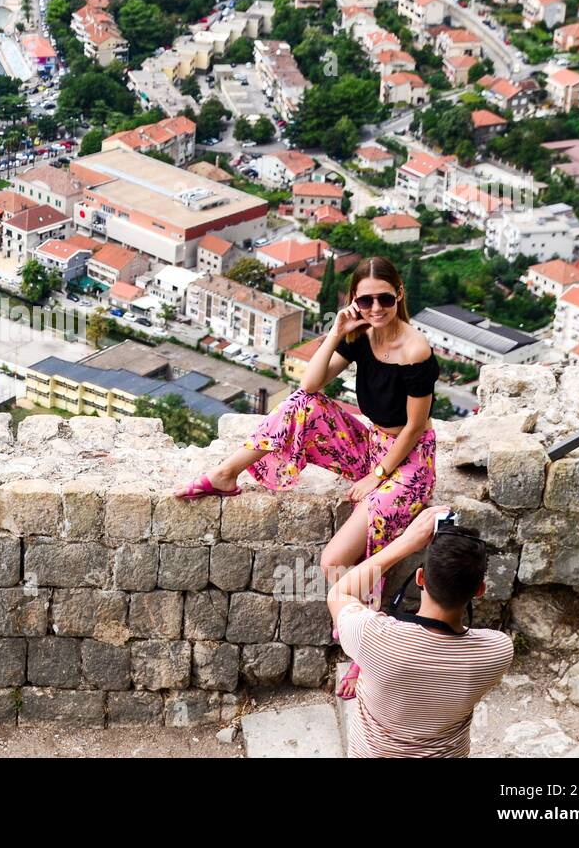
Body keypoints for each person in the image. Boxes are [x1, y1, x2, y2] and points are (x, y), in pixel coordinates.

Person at [174, 256, 439, 696]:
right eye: (366, 299)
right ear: (354, 301)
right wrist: (337, 332)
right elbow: (310, 386)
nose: (376, 307)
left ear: (400, 296)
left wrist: (377, 474)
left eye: (385, 299)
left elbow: (413, 428)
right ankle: (225, 473)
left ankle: (365, 651)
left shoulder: (416, 350)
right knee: (301, 405)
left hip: (407, 461)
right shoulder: (360, 336)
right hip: (368, 441)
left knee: (337, 559)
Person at [327, 505, 513, 757]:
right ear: (480, 590)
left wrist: (404, 544)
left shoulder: (373, 637)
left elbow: (340, 592)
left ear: (420, 578)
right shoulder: (497, 651)